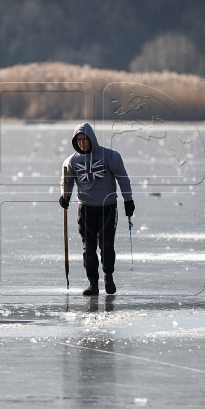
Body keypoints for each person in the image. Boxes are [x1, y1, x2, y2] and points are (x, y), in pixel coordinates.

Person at [60, 122, 134, 295]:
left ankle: (108, 276)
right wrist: (65, 195)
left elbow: (123, 178)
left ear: (91, 138)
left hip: (107, 208)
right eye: (79, 139)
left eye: (85, 138)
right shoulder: (72, 161)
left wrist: (128, 200)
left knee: (106, 246)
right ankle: (93, 283)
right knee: (89, 248)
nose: (82, 142)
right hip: (85, 209)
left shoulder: (110, 156)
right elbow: (67, 181)